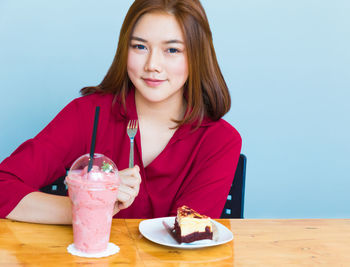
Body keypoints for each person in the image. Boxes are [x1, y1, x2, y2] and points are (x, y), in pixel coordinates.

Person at [0, 0, 241, 224]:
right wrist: (91, 206)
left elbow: (188, 234)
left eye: (172, 50)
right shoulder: (87, 114)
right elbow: (3, 187)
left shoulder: (220, 141)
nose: (152, 65)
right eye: (139, 46)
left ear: (197, 57)